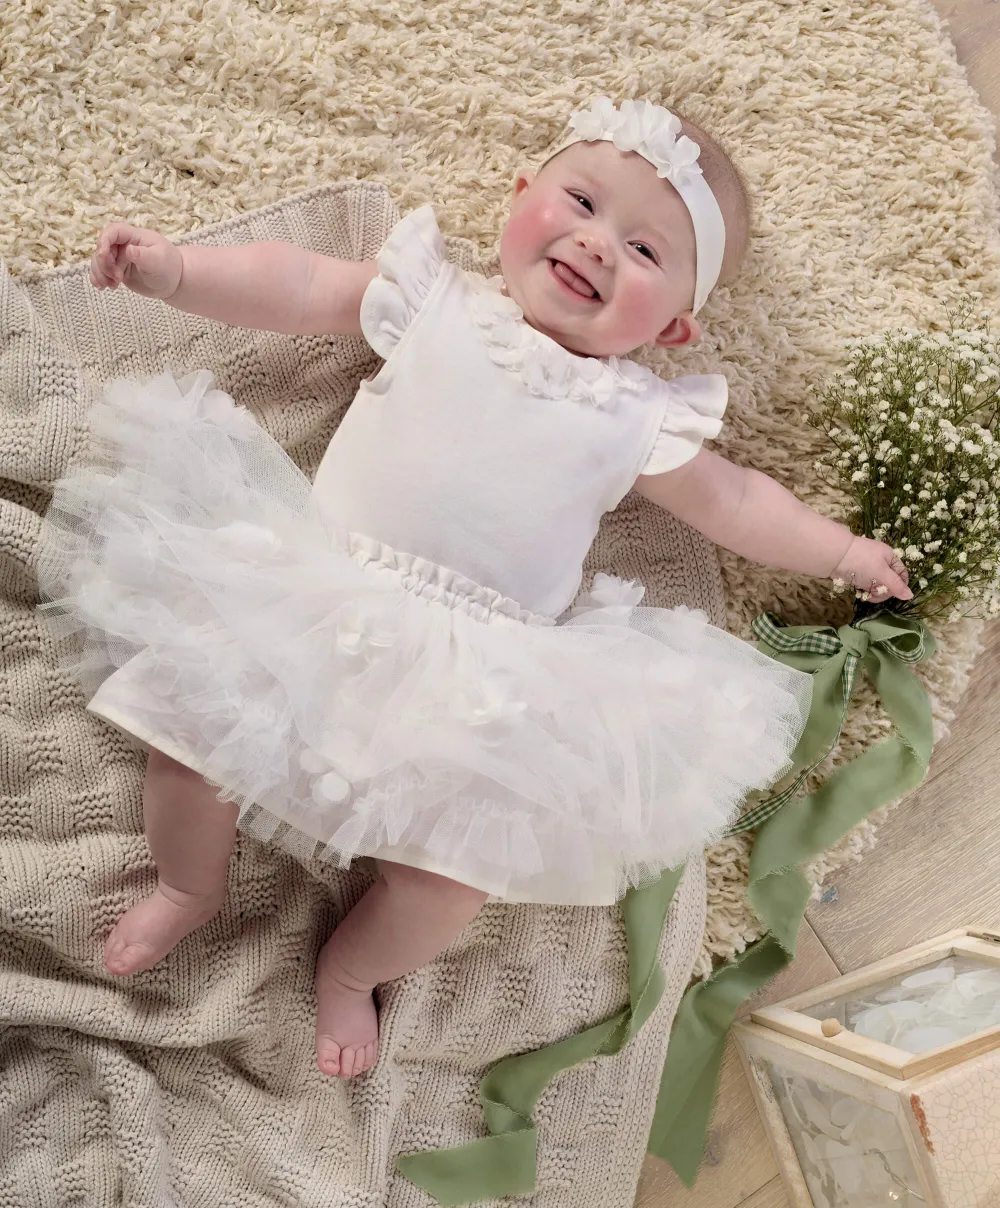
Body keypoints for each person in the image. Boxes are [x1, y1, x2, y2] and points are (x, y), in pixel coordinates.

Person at [39, 96, 910, 1082]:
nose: (595, 243)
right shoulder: (431, 299)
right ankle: (189, 885)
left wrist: (841, 551)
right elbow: (295, 281)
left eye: (643, 249)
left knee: (452, 878)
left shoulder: (636, 418)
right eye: (580, 200)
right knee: (189, 740)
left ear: (671, 327)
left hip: (478, 675)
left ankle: (349, 969)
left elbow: (741, 502)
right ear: (518, 196)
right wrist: (178, 271)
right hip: (316, 592)